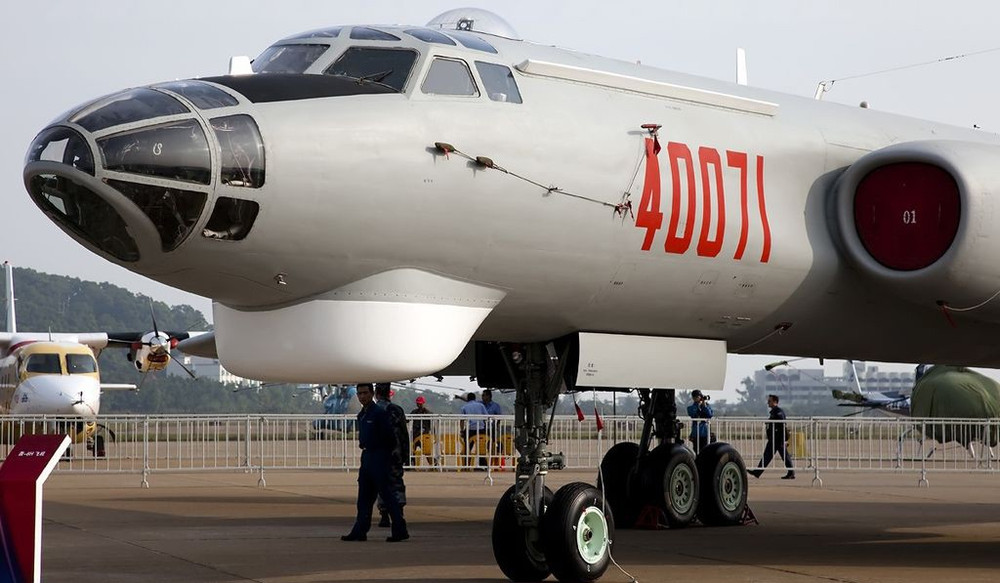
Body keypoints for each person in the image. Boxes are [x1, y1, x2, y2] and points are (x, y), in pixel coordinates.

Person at [341, 383, 409, 542]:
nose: (362, 396)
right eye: (360, 394)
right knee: (364, 497)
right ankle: (360, 530)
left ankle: (400, 529)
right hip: (367, 456)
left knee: (388, 495)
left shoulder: (379, 413)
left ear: (372, 394)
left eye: (365, 393)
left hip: (379, 457)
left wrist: (385, 456)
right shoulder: (362, 414)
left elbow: (390, 437)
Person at [374, 382, 408, 529]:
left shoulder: (373, 410)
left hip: (379, 455)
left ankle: (384, 515)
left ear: (376, 393)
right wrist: (405, 454)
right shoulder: (397, 410)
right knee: (396, 483)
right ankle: (399, 513)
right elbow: (404, 435)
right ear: (389, 392)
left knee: (382, 484)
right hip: (396, 454)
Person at [749, 394, 795, 479]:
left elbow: (782, 425)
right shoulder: (774, 412)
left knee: (782, 456)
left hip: (778, 438)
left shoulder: (779, 412)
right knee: (769, 455)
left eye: (769, 401)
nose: (768, 403)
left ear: (775, 402)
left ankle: (791, 472)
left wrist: (783, 439)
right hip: (774, 438)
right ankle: (757, 472)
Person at [459, 392, 489, 468]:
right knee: (481, 448)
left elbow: (462, 420)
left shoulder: (464, 407)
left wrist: (462, 431)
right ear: (475, 398)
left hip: (470, 429)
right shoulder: (481, 405)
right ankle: (483, 466)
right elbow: (486, 416)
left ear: (467, 399)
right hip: (481, 429)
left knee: (467, 447)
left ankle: (466, 465)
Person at [410, 395, 434, 466]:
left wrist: (433, 435)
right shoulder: (414, 412)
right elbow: (407, 420)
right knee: (412, 451)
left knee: (426, 451)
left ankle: (433, 464)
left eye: (420, 403)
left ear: (423, 403)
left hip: (424, 436)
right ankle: (412, 464)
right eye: (418, 403)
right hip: (415, 435)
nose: (419, 405)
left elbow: (432, 425)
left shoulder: (428, 413)